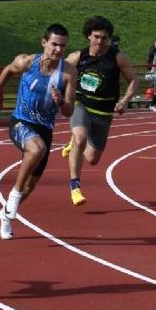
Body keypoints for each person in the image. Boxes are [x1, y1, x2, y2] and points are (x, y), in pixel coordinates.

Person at [0, 24, 76, 239]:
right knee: (37, 149)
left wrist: (61, 101)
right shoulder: (27, 62)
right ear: (44, 42)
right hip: (20, 121)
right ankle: (14, 197)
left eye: (62, 46)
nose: (57, 49)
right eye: (54, 44)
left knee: (32, 184)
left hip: (44, 127)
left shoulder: (68, 73)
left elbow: (69, 110)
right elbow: (8, 70)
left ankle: (5, 216)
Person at [61, 16, 139, 205]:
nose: (100, 42)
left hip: (104, 112)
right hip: (82, 105)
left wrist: (125, 100)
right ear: (89, 36)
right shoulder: (77, 57)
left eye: (104, 38)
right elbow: (61, 77)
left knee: (92, 159)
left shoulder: (117, 57)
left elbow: (134, 80)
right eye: (96, 37)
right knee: (80, 138)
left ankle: (74, 142)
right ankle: (75, 188)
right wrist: (63, 97)